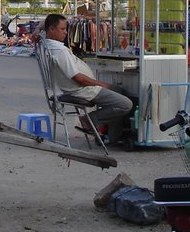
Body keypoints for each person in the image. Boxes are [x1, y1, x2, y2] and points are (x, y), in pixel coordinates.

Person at [40, 13, 133, 144]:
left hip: (79, 87)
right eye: (62, 29)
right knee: (125, 104)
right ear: (51, 29)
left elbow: (43, 24)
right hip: (82, 89)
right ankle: (89, 120)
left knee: (118, 90)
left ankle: (113, 136)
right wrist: (101, 84)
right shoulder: (59, 52)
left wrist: (38, 29)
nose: (65, 33)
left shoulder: (45, 42)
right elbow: (78, 78)